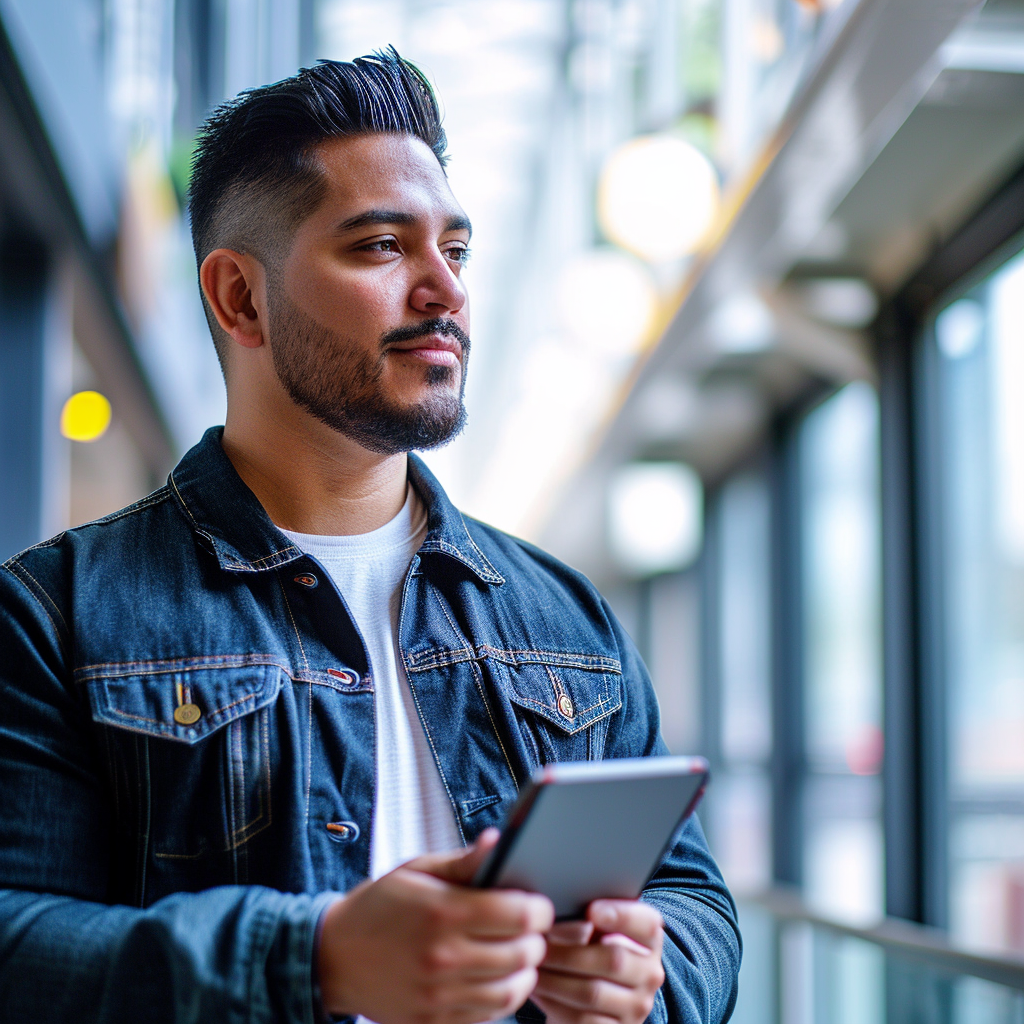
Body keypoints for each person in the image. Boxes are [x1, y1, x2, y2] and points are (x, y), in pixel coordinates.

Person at [0, 51, 740, 1024]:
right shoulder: (59, 613)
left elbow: (696, 902)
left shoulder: (564, 616)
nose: (445, 291)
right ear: (239, 299)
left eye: (457, 250)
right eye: (383, 246)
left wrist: (653, 969)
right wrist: (313, 962)